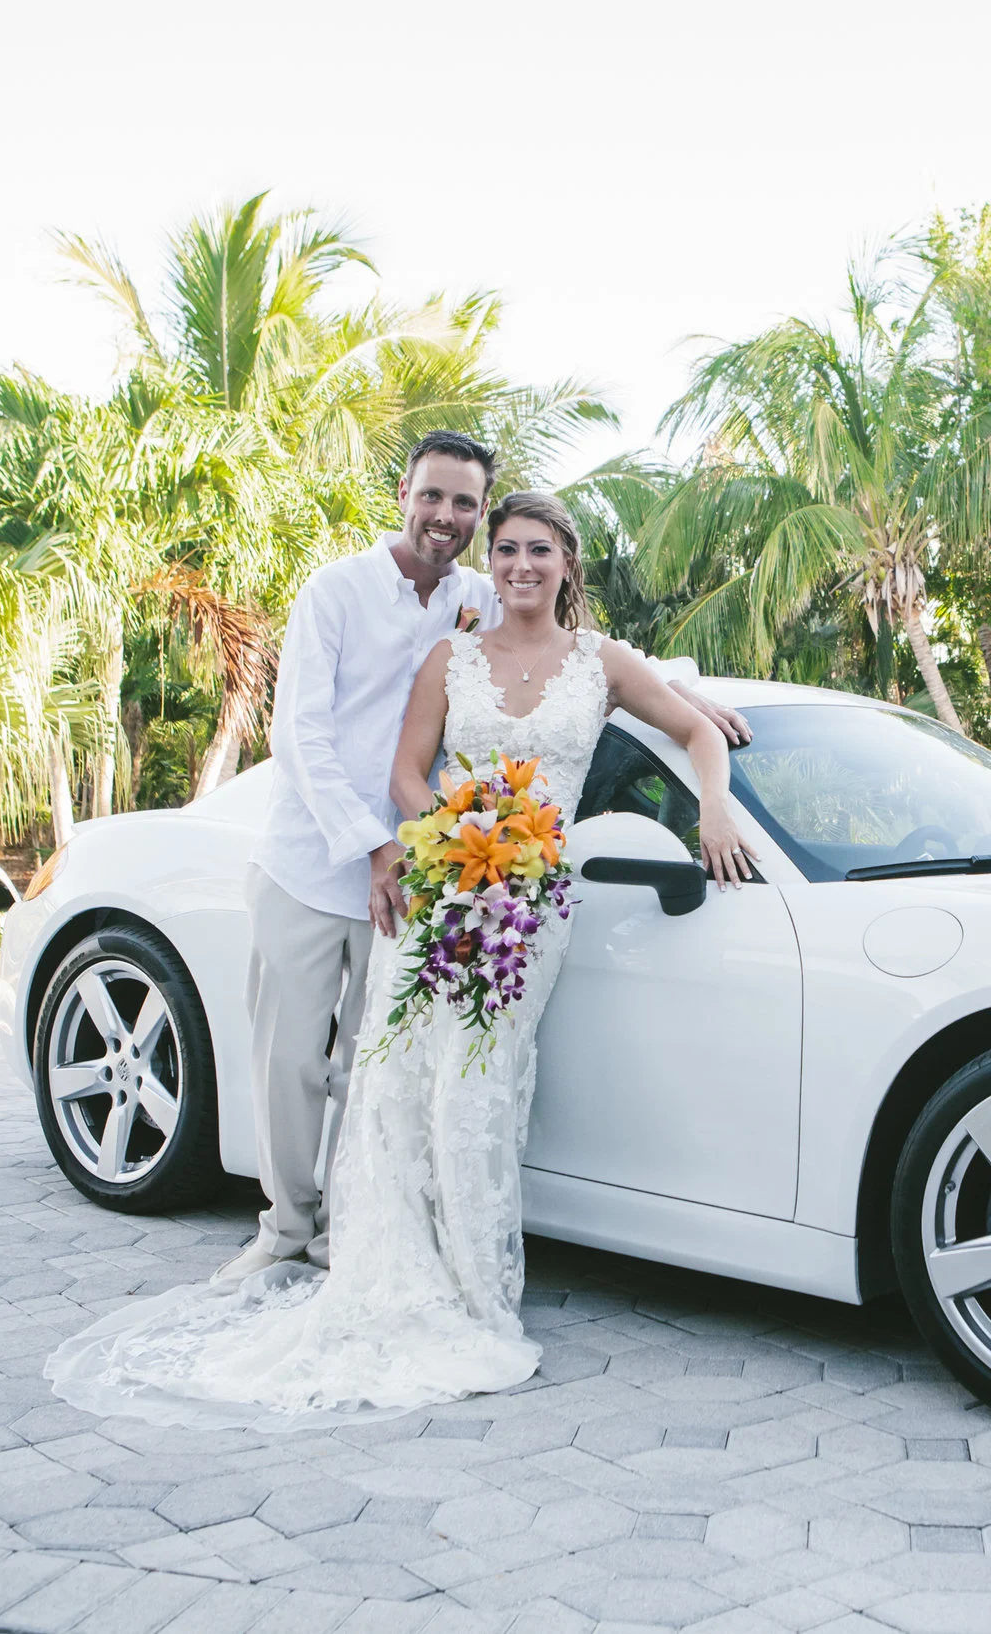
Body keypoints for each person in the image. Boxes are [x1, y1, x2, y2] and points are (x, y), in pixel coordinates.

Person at [45, 490, 753, 1428]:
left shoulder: (604, 661)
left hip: (529, 906)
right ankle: (373, 1255)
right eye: (506, 548)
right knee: (402, 1080)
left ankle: (473, 1280)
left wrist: (713, 804)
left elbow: (695, 730)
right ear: (490, 562)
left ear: (568, 565)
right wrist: (454, 828)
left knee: (481, 1082)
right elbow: (405, 773)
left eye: (539, 550)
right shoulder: (451, 656)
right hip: (443, 887)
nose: (521, 564)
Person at [209, 430, 742, 1287]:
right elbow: (299, 735)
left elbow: (580, 651)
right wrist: (384, 842)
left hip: (432, 879)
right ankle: (283, 1229)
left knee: (377, 1066)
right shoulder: (336, 590)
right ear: (403, 494)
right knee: (291, 1059)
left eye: (464, 503)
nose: (446, 515)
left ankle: (353, 1233)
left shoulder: (476, 593)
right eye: (432, 496)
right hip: (321, 857)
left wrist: (689, 698)